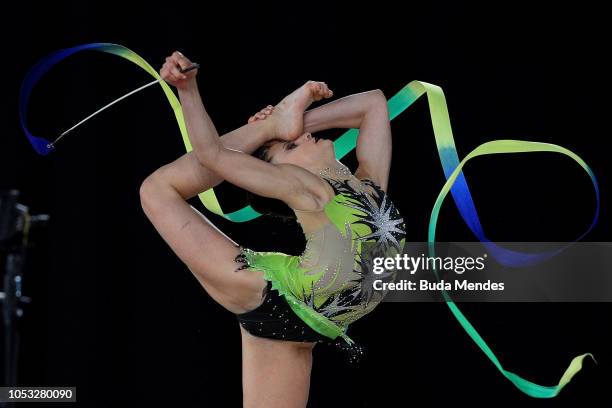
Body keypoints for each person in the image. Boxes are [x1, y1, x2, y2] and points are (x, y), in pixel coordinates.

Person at [139, 51, 406, 408]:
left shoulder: (370, 185)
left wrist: (294, 122)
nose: (305, 137)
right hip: (275, 299)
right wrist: (188, 90)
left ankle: (273, 127)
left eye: (295, 137)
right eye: (292, 145)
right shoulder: (307, 189)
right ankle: (268, 128)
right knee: (156, 191)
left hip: (304, 322)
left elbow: (372, 104)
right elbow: (211, 155)